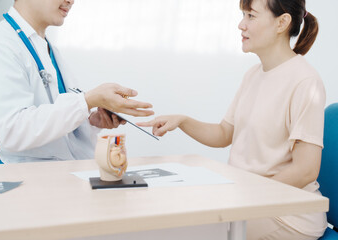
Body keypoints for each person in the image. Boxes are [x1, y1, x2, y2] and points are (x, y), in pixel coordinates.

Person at [138, 0, 327, 239]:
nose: (241, 25)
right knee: (169, 214)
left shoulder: (305, 81)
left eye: (250, 15)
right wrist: (183, 120)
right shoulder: (253, 75)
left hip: (287, 214)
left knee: (185, 229)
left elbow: (306, 170)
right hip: (249, 200)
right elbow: (224, 134)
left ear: (282, 22)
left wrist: (245, 193)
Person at [0, 0, 154, 165]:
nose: (71, 0)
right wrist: (87, 100)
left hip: (50, 175)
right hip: (12, 180)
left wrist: (92, 121)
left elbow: (55, 122)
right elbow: (13, 130)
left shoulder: (47, 48)